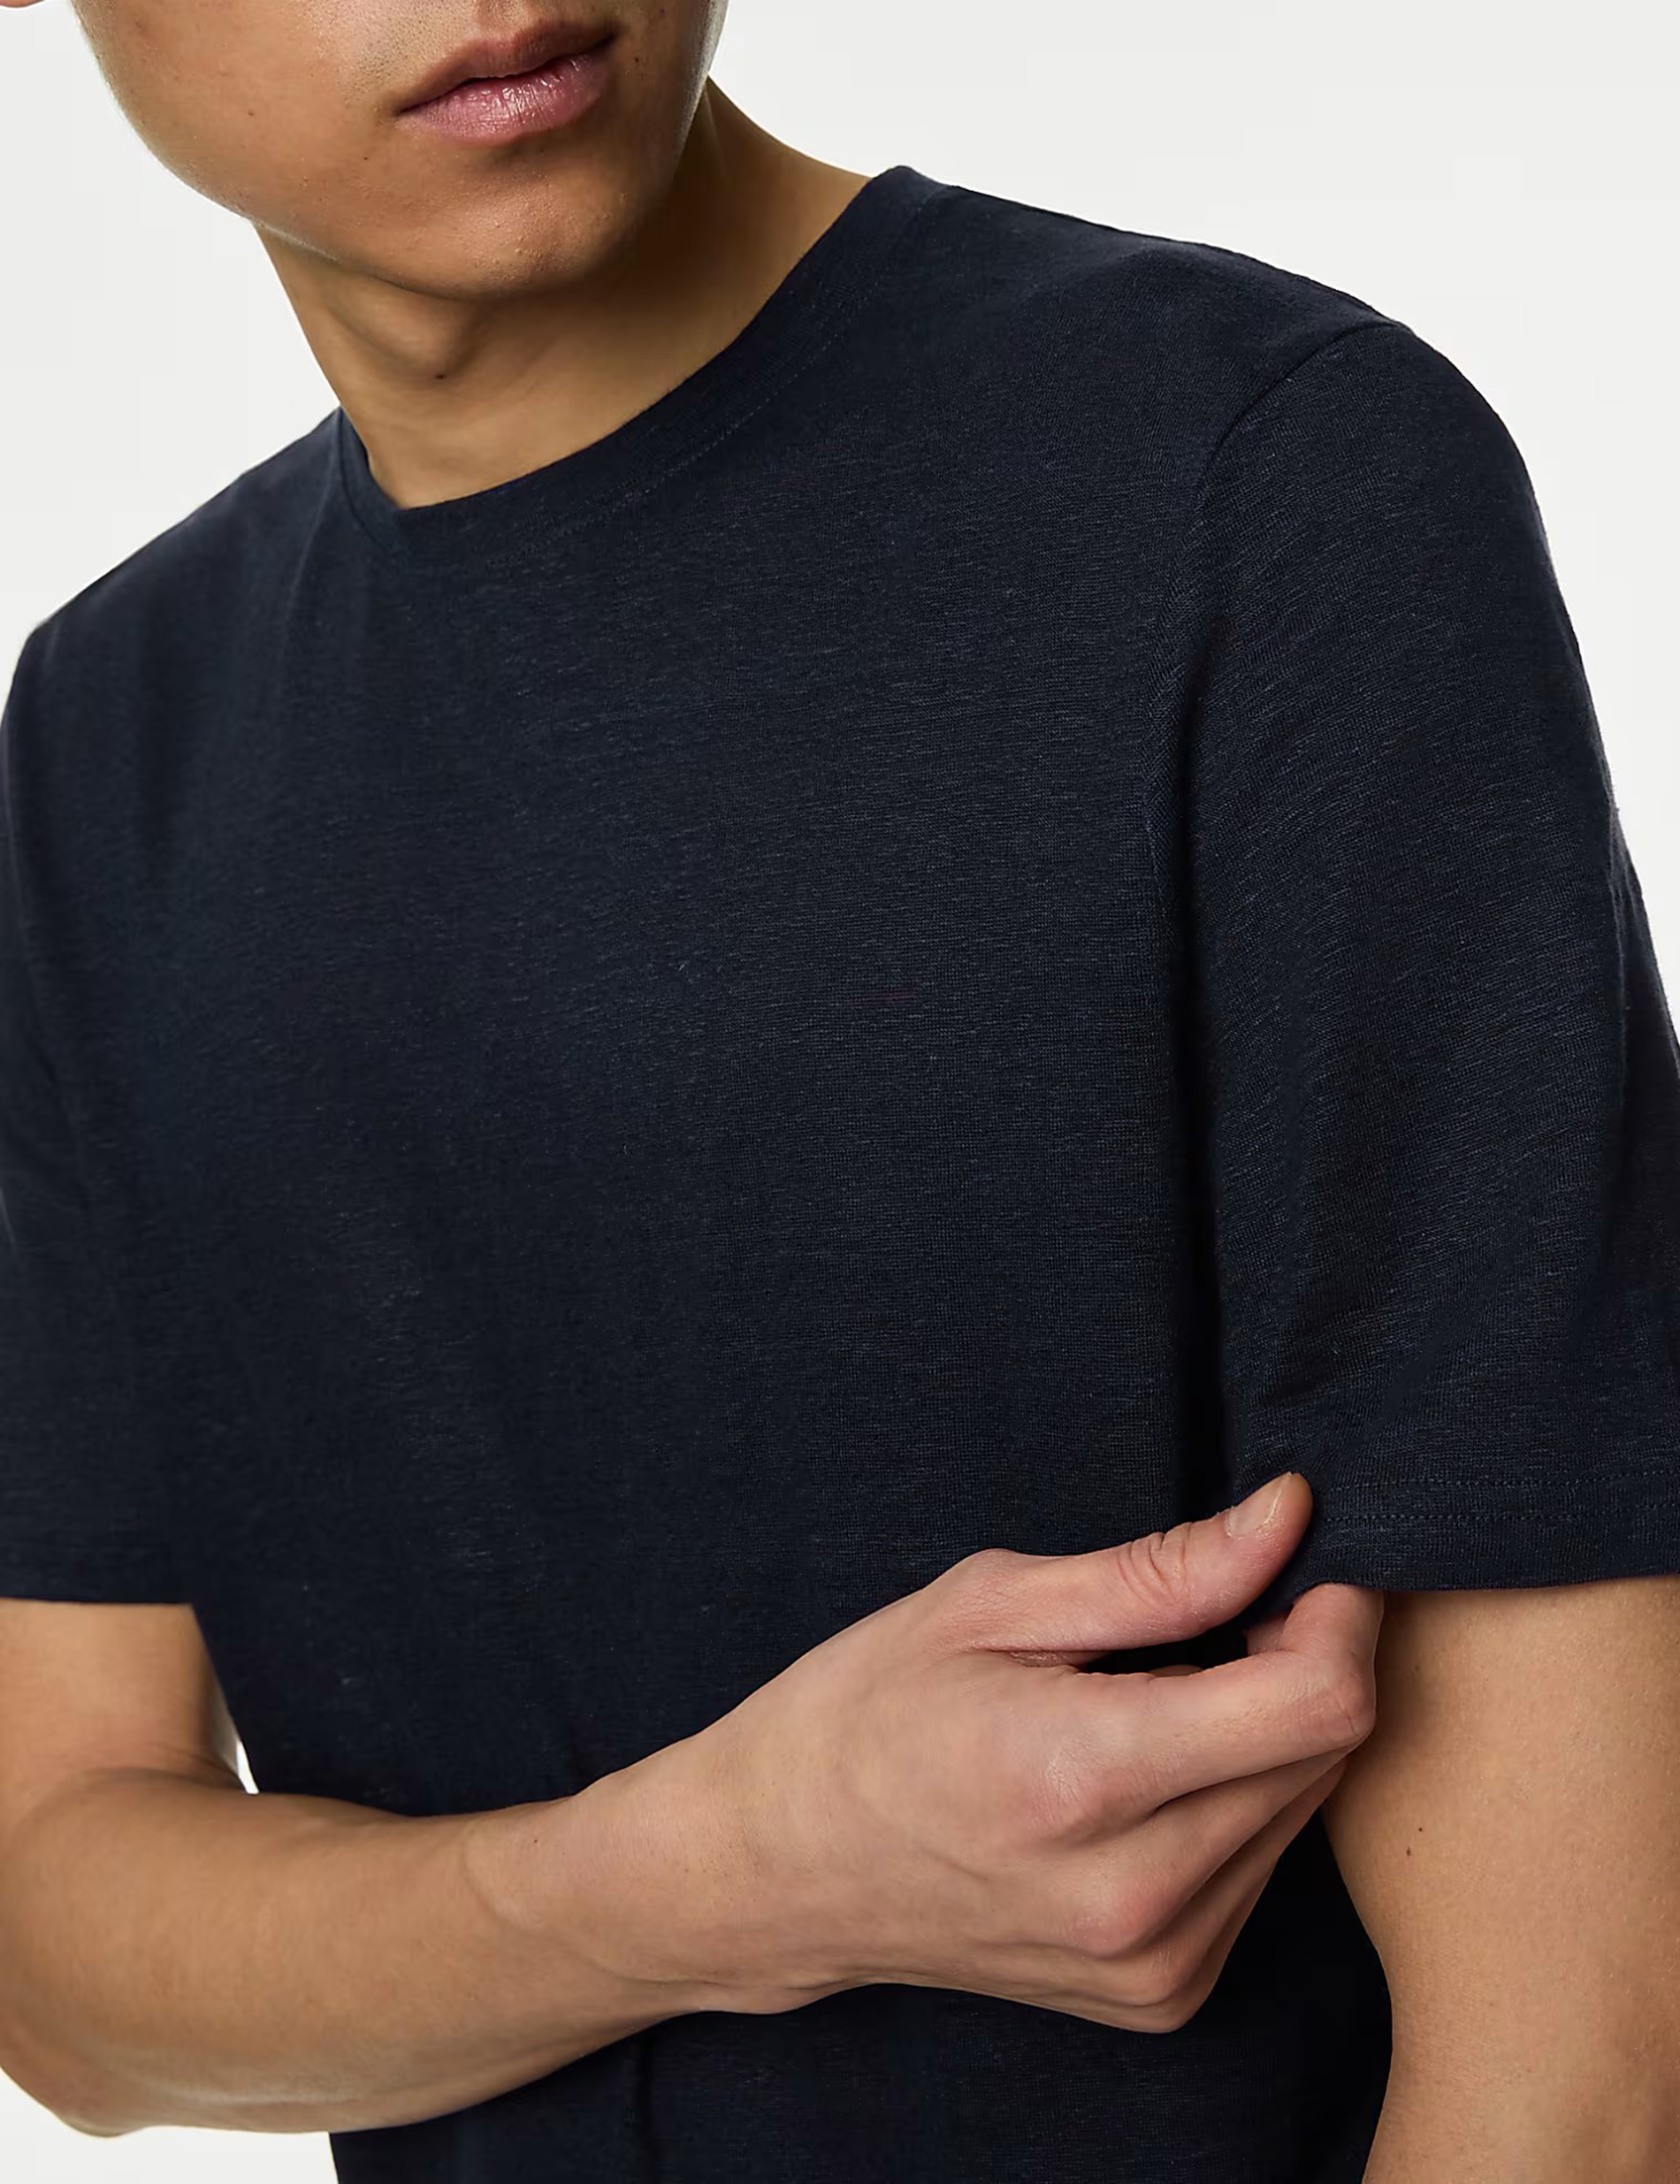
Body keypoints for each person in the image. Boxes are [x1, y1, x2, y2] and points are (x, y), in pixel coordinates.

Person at [2, 4, 1678, 2180]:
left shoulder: (1266, 476)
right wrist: (728, 1869)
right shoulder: (113, 733)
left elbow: (1578, 2072)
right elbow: (58, 1963)